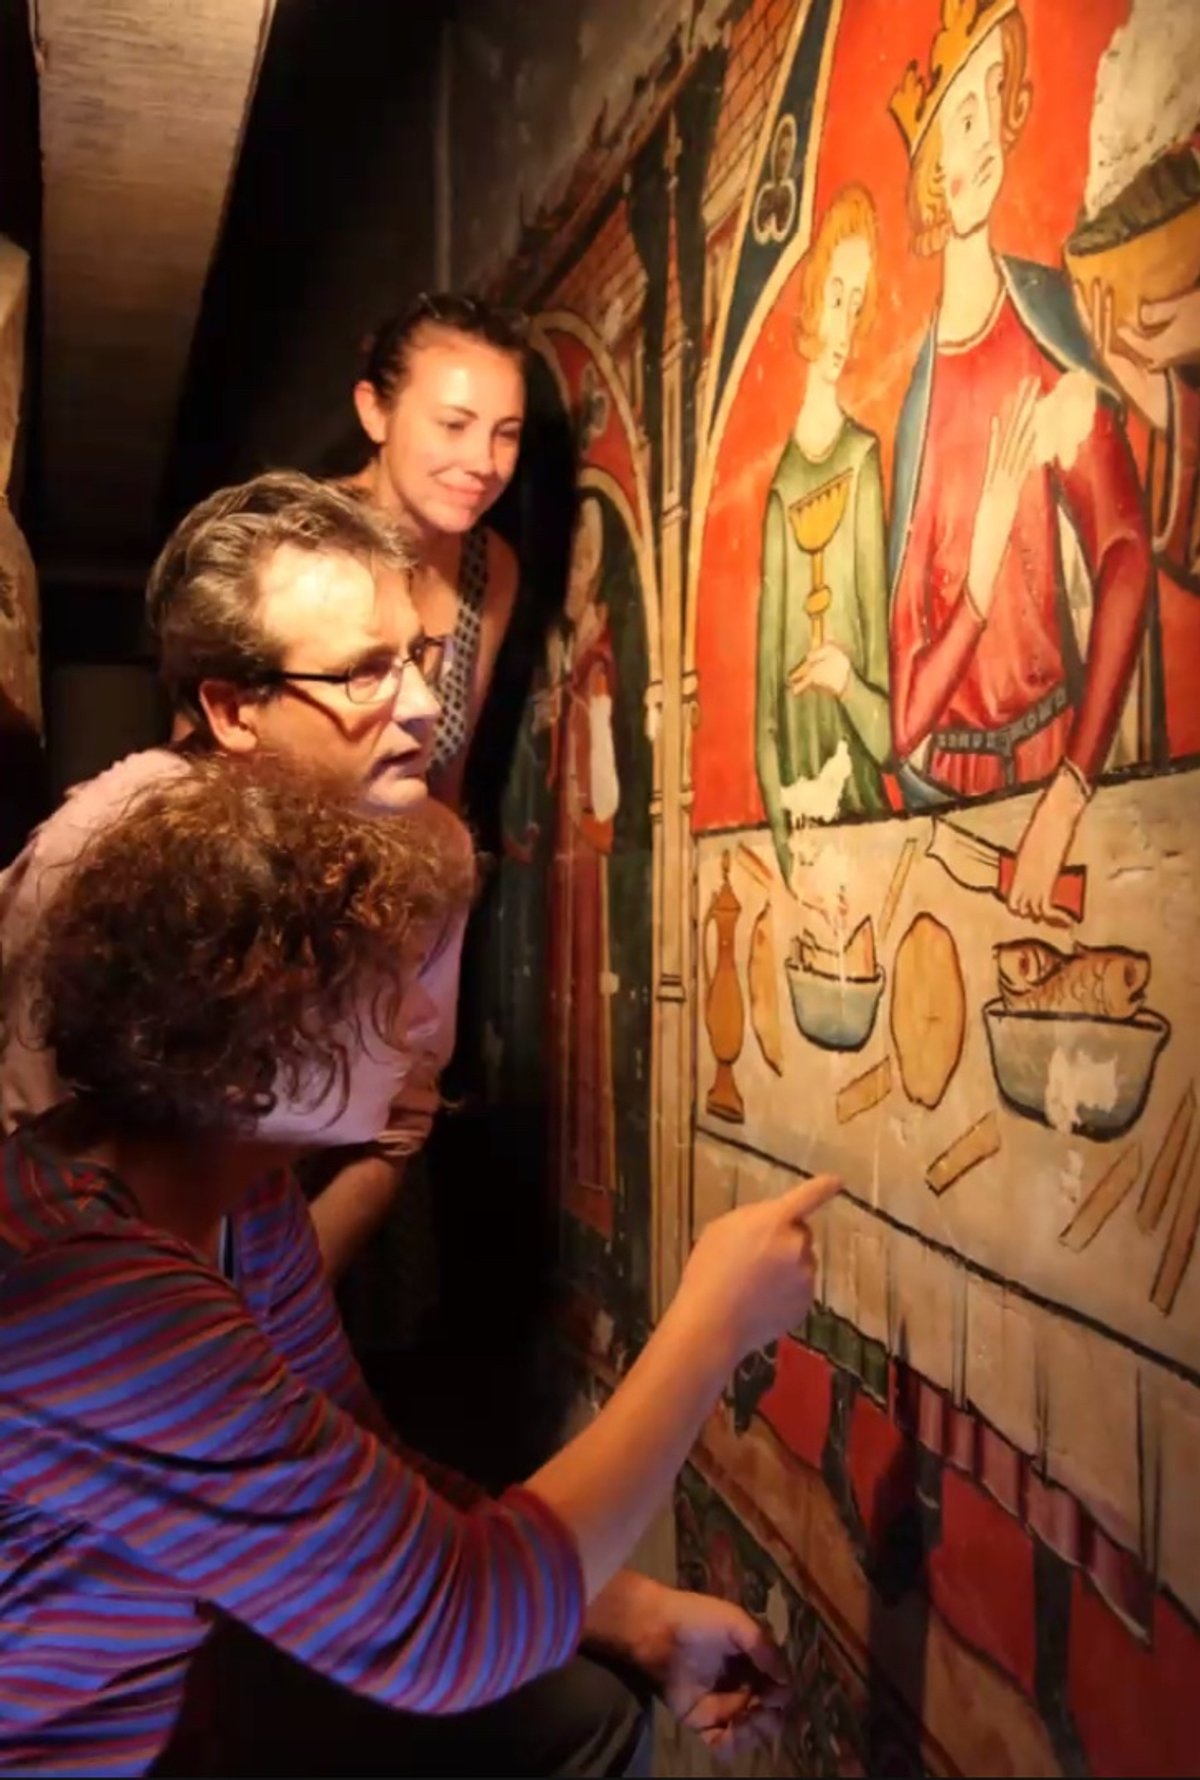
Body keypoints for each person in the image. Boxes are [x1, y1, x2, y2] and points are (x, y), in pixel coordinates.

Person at [0, 750, 840, 1776]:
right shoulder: (93, 1289)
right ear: (267, 1019)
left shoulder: (236, 1195)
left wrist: (629, 1610)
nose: (428, 1024)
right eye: (394, 981)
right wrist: (714, 1319)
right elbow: (450, 1628)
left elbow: (358, 1461)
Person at [0, 471, 450, 1285]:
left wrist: (276, 1311)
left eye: (418, 655)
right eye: (364, 673)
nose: (421, 703)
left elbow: (398, 1123)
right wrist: (198, 1333)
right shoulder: (95, 854)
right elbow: (36, 1147)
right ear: (234, 710)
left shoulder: (436, 851)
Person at [886, 0, 1154, 921]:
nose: (988, 133)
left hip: (1053, 769)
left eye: (995, 98)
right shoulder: (913, 407)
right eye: (963, 115)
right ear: (932, 176)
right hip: (950, 806)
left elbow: (1126, 553)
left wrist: (1074, 788)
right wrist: (980, 582)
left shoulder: (1050, 331)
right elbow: (905, 721)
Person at [345, 292, 528, 810]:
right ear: (375, 412)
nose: (483, 462)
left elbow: (444, 785)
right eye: (453, 425)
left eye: (506, 434)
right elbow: (207, 766)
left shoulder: (489, 569)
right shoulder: (294, 543)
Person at [756, 184, 891, 885]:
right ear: (810, 299)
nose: (845, 324)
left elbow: (891, 735)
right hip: (802, 836)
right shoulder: (780, 486)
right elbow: (763, 714)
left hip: (863, 815)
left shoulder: (863, 462)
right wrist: (785, 852)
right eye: (837, 294)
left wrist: (846, 684)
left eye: (859, 302)